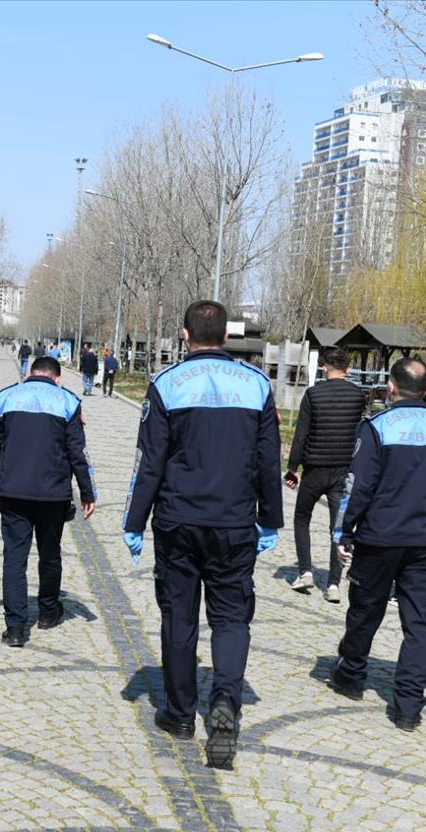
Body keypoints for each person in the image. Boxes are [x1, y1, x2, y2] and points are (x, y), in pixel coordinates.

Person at [122, 300, 282, 770]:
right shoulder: (256, 386)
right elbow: (268, 462)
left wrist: (135, 521)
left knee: (179, 618)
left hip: (178, 521)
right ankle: (226, 702)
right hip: (234, 523)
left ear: (186, 336)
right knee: (232, 619)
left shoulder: (166, 384)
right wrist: (269, 518)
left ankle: (177, 713)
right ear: (227, 337)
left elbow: (148, 462)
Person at [330, 358, 426, 732]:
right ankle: (409, 706)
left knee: (365, 608)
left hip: (380, 538)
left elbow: (358, 486)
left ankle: (352, 674)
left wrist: (345, 531)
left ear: (391, 386)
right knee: (421, 623)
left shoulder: (376, 429)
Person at [0, 355, 96, 647]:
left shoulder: (6, 397)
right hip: (53, 493)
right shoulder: (67, 402)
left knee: (14, 558)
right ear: (58, 378)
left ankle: (16, 628)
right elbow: (77, 453)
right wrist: (86, 492)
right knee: (50, 553)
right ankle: (47, 612)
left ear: (29, 373)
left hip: (14, 490)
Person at [284, 346, 368, 602]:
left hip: (314, 470)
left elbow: (302, 434)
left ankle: (305, 571)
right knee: (338, 526)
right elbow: (360, 435)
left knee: (302, 518)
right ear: (348, 369)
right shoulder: (358, 396)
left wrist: (292, 468)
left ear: (324, 368)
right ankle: (333, 585)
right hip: (343, 470)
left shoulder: (313, 394)